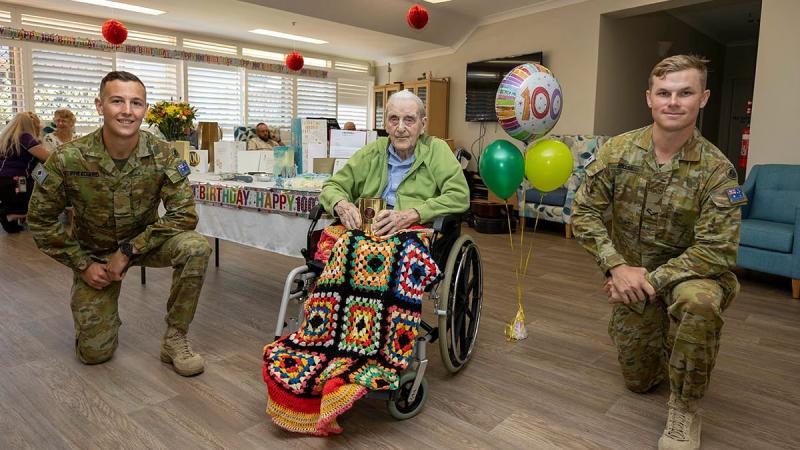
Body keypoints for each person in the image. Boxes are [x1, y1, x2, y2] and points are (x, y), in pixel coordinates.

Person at [571, 55, 745, 450]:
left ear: (703, 98)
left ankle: (685, 408)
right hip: (630, 278)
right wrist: (615, 266)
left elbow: (716, 250)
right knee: (639, 384)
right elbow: (583, 212)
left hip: (690, 277)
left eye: (685, 93)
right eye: (664, 93)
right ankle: (666, 341)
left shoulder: (718, 171)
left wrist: (647, 280)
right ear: (649, 98)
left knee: (699, 304)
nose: (673, 101)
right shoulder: (617, 152)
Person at [27, 71, 212, 377]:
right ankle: (102, 317)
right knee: (94, 354)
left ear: (145, 109)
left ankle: (175, 338)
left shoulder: (162, 153)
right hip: (94, 254)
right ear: (100, 106)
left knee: (195, 247)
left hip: (143, 245)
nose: (127, 110)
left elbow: (184, 213)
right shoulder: (68, 158)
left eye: (136, 103)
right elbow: (40, 219)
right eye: (117, 101)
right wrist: (83, 265)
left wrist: (129, 250)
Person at [320, 90, 469, 236]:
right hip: (366, 229)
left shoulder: (436, 150)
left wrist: (413, 214)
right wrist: (341, 205)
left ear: (423, 125)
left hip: (413, 232)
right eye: (394, 119)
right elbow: (333, 186)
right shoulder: (372, 151)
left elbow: (458, 196)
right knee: (329, 248)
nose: (401, 128)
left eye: (409, 120)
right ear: (386, 124)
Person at [0, 111, 50, 233]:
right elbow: (46, 157)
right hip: (17, 181)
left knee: (14, 223)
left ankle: (10, 219)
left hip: (4, 181)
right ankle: (7, 214)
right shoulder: (25, 138)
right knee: (28, 207)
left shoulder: (6, 138)